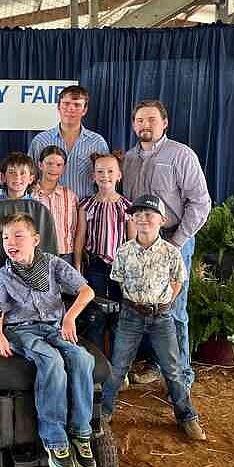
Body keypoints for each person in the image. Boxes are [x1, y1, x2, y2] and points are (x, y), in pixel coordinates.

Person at [0, 212, 97, 467]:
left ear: (35, 239)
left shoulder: (52, 264)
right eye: (5, 237)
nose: (10, 242)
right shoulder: (5, 274)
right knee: (51, 360)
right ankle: (55, 440)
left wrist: (70, 316)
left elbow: (87, 291)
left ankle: (81, 433)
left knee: (83, 359)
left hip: (54, 326)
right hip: (22, 330)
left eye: (18, 235)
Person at [101, 194, 207, 441]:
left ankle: (187, 417)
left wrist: (166, 301)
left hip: (161, 317)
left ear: (163, 220)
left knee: (173, 369)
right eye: (138, 215)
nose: (143, 219)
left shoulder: (171, 252)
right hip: (130, 315)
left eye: (149, 215)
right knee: (117, 368)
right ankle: (103, 412)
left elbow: (178, 280)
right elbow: (118, 280)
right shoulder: (124, 251)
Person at [121, 100, 212, 388]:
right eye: (139, 120)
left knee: (173, 309)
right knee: (144, 306)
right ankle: (156, 364)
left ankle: (182, 377)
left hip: (174, 241)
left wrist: (177, 241)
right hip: (140, 244)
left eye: (151, 119)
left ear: (165, 122)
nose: (144, 125)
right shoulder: (128, 159)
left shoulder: (181, 155)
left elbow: (200, 202)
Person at [77, 151, 136, 353]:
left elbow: (132, 243)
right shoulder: (87, 204)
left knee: (120, 316)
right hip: (95, 266)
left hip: (121, 268)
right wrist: (77, 267)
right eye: (100, 171)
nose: (105, 176)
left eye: (110, 171)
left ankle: (118, 367)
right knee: (96, 314)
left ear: (119, 175)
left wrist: (131, 271)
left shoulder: (127, 207)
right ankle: (97, 365)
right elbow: (80, 239)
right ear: (93, 176)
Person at [28, 85, 109, 200]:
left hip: (85, 210)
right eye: (66, 103)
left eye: (77, 105)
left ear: (84, 110)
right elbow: (30, 178)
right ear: (58, 107)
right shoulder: (40, 141)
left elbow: (106, 180)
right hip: (48, 208)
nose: (70, 108)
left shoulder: (97, 143)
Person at [32, 146, 82, 268]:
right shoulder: (30, 194)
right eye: (49, 163)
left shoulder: (70, 197)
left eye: (59, 165)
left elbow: (75, 231)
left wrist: (77, 264)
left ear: (64, 169)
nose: (53, 168)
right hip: (36, 254)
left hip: (65, 255)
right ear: (40, 165)